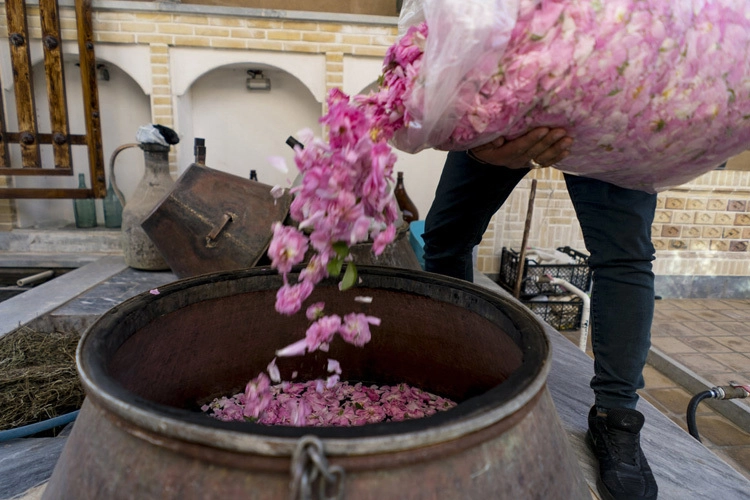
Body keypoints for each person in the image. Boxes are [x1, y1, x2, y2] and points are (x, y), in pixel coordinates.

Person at [422, 127, 659, 500]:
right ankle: (453, 371)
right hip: (508, 105)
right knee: (445, 234)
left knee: (623, 256)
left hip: (605, 102)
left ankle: (616, 418)